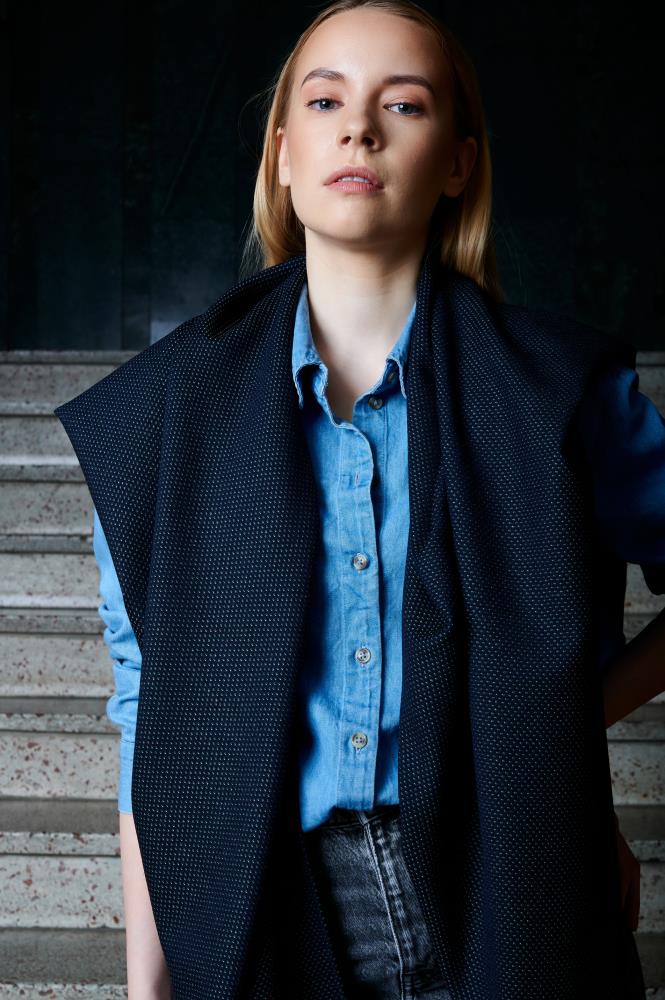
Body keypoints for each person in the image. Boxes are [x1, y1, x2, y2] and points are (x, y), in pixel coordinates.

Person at [61, 1, 665, 997]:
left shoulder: (558, 392)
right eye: (326, 99)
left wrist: (560, 720)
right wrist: (148, 984)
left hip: (505, 883)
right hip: (269, 897)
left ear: (459, 161)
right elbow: (151, 710)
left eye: (405, 104)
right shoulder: (163, 418)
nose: (360, 127)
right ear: (284, 154)